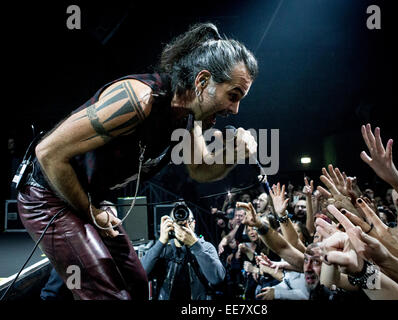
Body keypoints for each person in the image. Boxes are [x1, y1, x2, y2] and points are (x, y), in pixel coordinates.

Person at [16, 22, 258, 299]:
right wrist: (91, 211)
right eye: (233, 95)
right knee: (105, 293)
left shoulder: (189, 120)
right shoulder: (138, 98)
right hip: (49, 194)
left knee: (137, 287)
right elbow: (48, 152)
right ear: (202, 81)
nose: (235, 109)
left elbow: (201, 171)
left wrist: (234, 154)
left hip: (91, 198)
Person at [140, 202, 225, 300]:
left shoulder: (206, 247)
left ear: (194, 223)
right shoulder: (164, 250)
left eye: (187, 221)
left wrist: (195, 245)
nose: (183, 224)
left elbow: (217, 278)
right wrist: (161, 241)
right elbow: (140, 275)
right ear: (171, 224)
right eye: (177, 222)